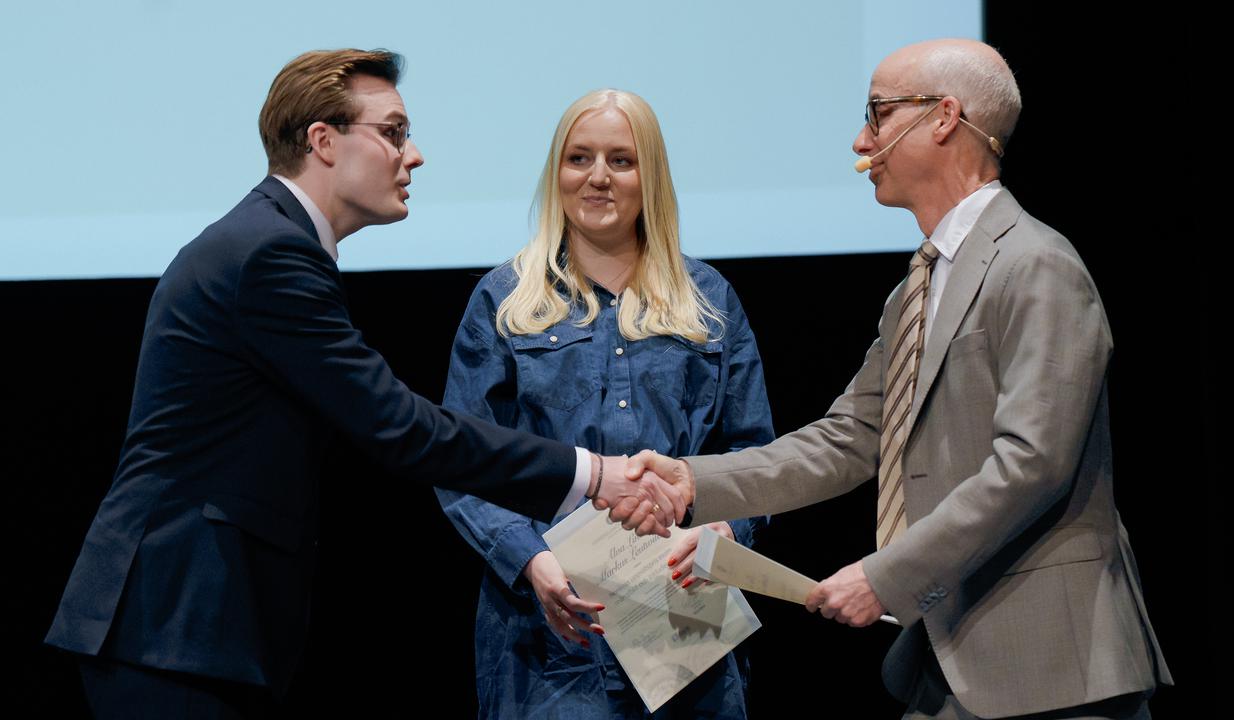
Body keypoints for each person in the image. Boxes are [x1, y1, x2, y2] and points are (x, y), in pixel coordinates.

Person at [45, 49, 682, 718]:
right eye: (394, 132)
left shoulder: (268, 240)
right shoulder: (272, 253)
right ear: (323, 140)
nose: (414, 156)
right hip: (175, 624)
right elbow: (399, 428)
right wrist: (594, 474)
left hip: (187, 628)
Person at [625, 39, 1171, 719]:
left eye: (878, 115)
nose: (862, 139)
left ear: (944, 118)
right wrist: (694, 482)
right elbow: (849, 439)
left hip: (1054, 668)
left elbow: (1032, 464)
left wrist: (888, 576)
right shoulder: (915, 289)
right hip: (952, 658)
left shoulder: (1036, 265)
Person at [435, 89, 774, 718]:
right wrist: (530, 560)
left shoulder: (709, 300)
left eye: (621, 160)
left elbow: (755, 455)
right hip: (548, 632)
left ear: (651, 177)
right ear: (555, 174)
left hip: (682, 614)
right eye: (578, 158)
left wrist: (727, 531)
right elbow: (462, 462)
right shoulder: (503, 301)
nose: (597, 177)